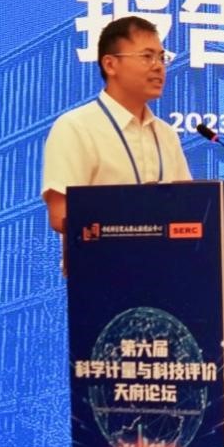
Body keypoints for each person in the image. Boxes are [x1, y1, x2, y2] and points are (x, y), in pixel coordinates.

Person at [42, 15, 192, 271]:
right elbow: (61, 215)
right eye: (147, 57)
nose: (159, 67)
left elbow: (189, 207)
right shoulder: (75, 127)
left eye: (161, 57)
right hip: (103, 276)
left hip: (167, 274)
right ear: (110, 64)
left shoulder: (166, 134)